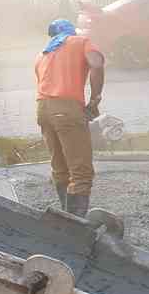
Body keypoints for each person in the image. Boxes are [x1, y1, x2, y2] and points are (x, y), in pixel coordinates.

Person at [35, 19, 105, 217]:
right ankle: (76, 226)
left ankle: (67, 217)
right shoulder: (80, 42)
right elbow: (96, 64)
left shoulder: (42, 54)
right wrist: (95, 99)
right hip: (66, 109)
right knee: (81, 172)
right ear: (71, 32)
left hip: (43, 109)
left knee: (60, 167)